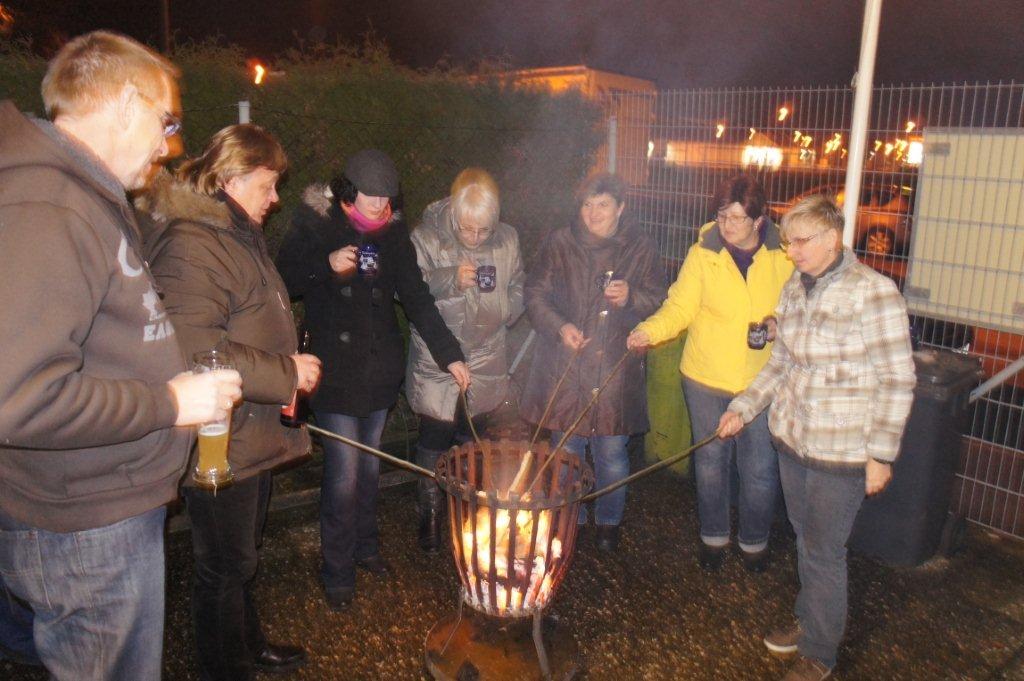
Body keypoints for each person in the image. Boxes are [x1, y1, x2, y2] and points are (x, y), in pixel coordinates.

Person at [0, 31, 241, 681]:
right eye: (167, 122)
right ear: (126, 104)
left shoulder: (77, 195)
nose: (172, 145)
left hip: (97, 513)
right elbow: (18, 398)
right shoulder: (52, 204)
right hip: (88, 528)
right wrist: (169, 402)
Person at [139, 124, 321, 680]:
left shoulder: (232, 231)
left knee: (243, 557)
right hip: (218, 439)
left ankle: (249, 643)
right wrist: (286, 371)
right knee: (223, 566)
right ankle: (224, 668)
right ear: (232, 177)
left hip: (249, 429)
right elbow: (198, 349)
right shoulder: (193, 241)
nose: (275, 198)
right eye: (267, 186)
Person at [717, 195, 915, 681]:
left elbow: (897, 378)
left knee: (825, 550)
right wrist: (743, 407)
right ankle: (809, 622)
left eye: (801, 242)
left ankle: (821, 652)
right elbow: (781, 363)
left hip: (842, 449)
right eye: (787, 242)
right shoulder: (795, 287)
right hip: (794, 440)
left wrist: (881, 455)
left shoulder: (874, 292)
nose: (792, 252)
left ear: (833, 239)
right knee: (807, 540)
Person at [276, 149, 470, 610]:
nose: (380, 205)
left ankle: (365, 547)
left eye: (387, 197)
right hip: (336, 373)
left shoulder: (394, 233)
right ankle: (337, 569)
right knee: (342, 476)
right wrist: (326, 266)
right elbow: (281, 282)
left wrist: (451, 356)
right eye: (371, 196)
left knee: (368, 470)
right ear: (347, 191)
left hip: (379, 371)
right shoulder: (317, 222)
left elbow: (417, 298)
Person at [627, 175, 793, 573]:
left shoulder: (784, 255)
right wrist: (649, 331)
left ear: (759, 219)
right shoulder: (704, 253)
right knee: (710, 463)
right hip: (704, 378)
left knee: (758, 468)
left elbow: (800, 309)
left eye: (737, 217)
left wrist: (777, 322)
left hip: (761, 380)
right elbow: (680, 307)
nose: (728, 225)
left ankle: (754, 541)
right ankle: (713, 537)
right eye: (722, 215)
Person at [520, 172, 666, 552]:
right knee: (567, 450)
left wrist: (631, 296)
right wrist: (559, 326)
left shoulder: (641, 247)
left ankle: (607, 523)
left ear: (621, 207)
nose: (593, 212)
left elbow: (658, 298)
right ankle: (571, 519)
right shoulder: (560, 241)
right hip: (565, 365)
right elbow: (535, 293)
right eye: (587, 204)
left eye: (602, 204)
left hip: (615, 366)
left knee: (611, 452)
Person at [406, 168, 525, 552]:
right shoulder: (425, 238)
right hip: (438, 362)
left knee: (473, 439)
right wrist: (450, 279)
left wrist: (508, 308)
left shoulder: (507, 240)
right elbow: (409, 289)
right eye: (466, 229)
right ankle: (431, 517)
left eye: (483, 231)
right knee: (434, 439)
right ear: (454, 215)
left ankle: (469, 515)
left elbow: (519, 283)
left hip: (488, 357)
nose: (475, 237)